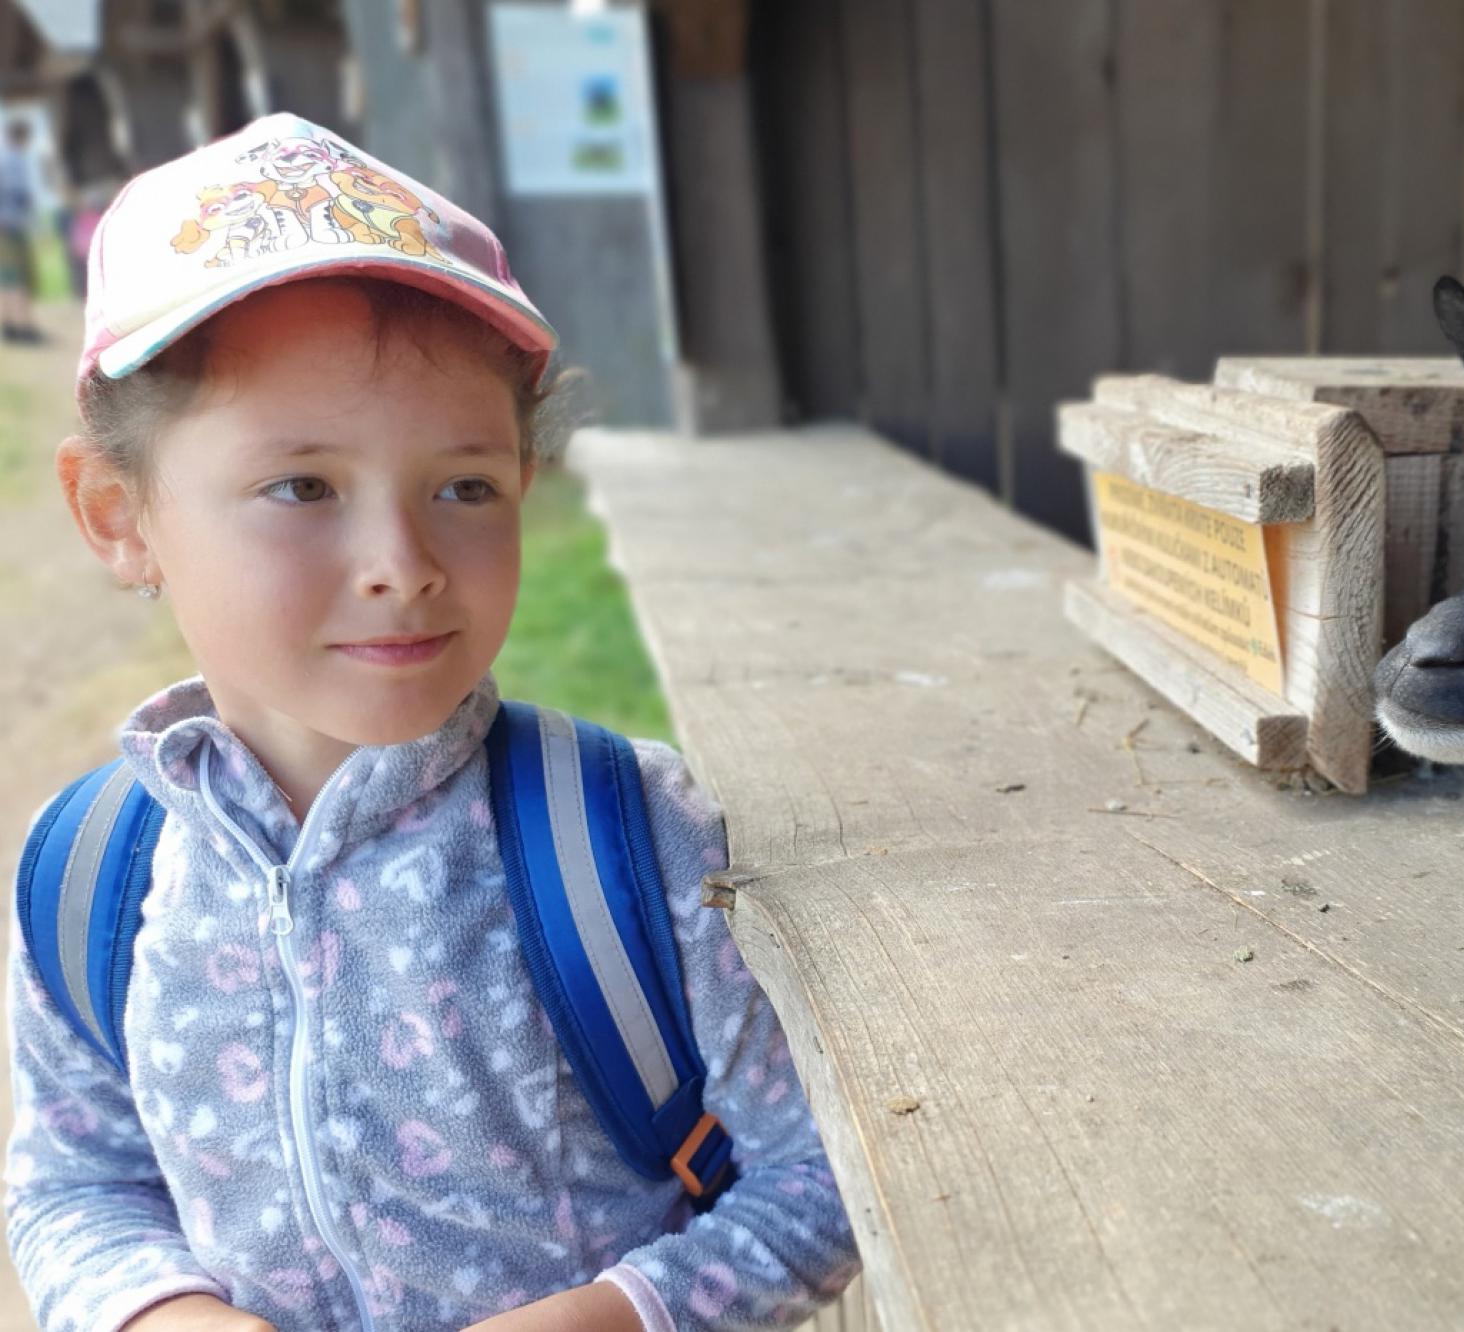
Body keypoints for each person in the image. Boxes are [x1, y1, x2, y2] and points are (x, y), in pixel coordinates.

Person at [4, 112, 859, 1332]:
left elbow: (823, 1174)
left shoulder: (623, 840)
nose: (402, 564)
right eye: (302, 486)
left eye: (464, 485)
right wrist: (161, 1315)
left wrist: (613, 1316)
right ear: (116, 515)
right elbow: (75, 1184)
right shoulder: (90, 876)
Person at [0, 117, 44, 343]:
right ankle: (24, 325)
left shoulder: (4, 160)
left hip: (4, 226)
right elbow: (21, 195)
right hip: (13, 225)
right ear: (23, 137)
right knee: (18, 278)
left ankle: (9, 324)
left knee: (6, 277)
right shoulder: (15, 161)